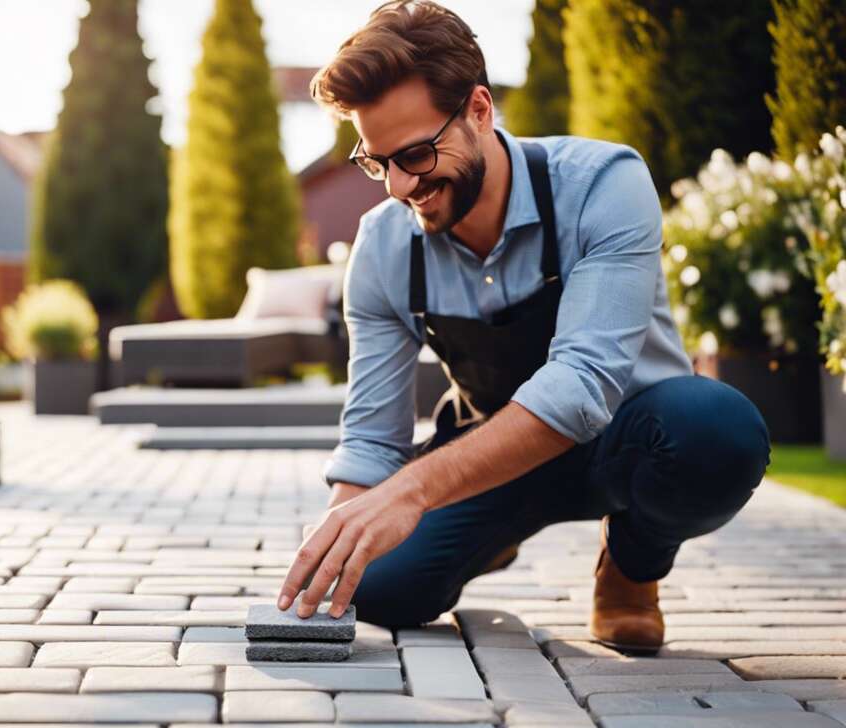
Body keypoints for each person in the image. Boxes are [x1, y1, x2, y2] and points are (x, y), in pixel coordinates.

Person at [276, 0, 770, 653]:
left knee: (717, 433)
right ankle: (492, 531)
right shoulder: (382, 246)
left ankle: (630, 566)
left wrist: (415, 492)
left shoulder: (603, 184)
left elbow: (581, 386)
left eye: (418, 155)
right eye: (377, 162)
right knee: (379, 591)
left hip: (629, 441)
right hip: (491, 459)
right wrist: (335, 551)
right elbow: (372, 437)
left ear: (479, 110)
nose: (398, 187)